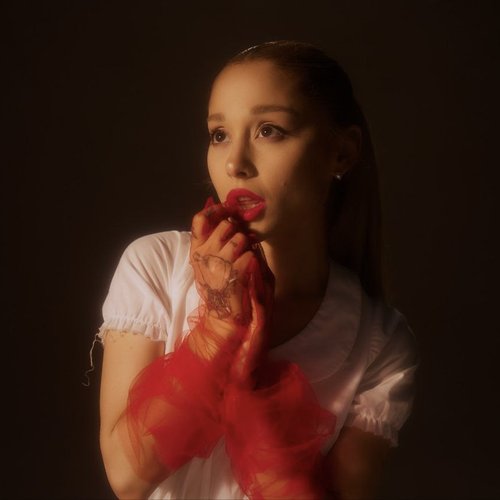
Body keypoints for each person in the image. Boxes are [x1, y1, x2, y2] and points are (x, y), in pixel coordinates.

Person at [94, 40, 419, 499]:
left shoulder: (379, 342)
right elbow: (127, 477)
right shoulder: (157, 266)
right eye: (219, 134)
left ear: (342, 153)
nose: (235, 163)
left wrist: (250, 385)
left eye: (269, 130)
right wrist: (217, 332)